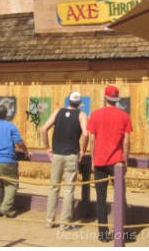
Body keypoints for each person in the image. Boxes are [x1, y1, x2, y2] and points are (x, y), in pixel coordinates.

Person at [86, 85, 133, 242]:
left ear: (105, 97)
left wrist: (92, 159)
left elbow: (92, 140)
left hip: (99, 161)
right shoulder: (124, 116)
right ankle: (121, 230)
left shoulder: (95, 114)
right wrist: (125, 160)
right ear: (116, 99)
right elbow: (126, 141)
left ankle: (103, 233)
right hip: (117, 162)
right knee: (120, 196)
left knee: (101, 197)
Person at [42, 91, 89, 229]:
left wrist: (47, 148)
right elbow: (86, 134)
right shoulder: (81, 114)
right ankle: (65, 223)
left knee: (54, 188)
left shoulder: (58, 111)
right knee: (69, 190)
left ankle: (49, 220)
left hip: (56, 155)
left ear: (68, 100)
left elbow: (44, 129)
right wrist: (83, 150)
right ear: (79, 103)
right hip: (71, 156)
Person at [0, 104, 27, 218]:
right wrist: (26, 151)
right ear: (6, 115)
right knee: (11, 184)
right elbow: (19, 142)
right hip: (7, 160)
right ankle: (5, 209)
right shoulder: (11, 127)